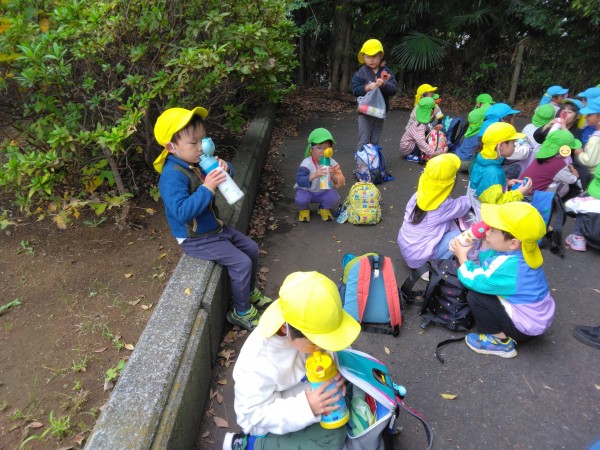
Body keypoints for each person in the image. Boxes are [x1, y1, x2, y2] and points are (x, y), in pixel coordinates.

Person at [153, 106, 271, 331]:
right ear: (171, 147)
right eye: (193, 143)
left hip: (214, 227)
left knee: (251, 249)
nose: (201, 147)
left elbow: (221, 177)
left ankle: (247, 291)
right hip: (195, 238)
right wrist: (207, 188)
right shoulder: (172, 176)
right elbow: (181, 212)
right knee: (241, 262)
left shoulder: (194, 161)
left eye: (203, 139)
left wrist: (226, 169)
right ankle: (241, 312)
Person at [224, 271, 361, 450]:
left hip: (300, 388)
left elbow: (335, 345)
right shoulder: (258, 361)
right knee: (332, 438)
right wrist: (308, 406)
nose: (323, 347)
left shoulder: (303, 322)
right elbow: (256, 413)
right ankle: (250, 444)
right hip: (266, 419)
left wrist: (336, 370)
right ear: (284, 327)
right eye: (317, 343)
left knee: (352, 387)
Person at [449, 202, 556, 358]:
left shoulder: (510, 268)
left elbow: (474, 279)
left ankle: (499, 342)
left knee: (476, 296)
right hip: (537, 319)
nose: (487, 232)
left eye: (492, 230)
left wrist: (462, 256)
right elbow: (490, 263)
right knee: (486, 290)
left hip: (524, 329)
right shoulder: (523, 251)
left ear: (513, 243)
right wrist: (486, 242)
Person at [397, 153, 471, 269]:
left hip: (407, 248)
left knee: (447, 223)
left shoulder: (417, 196)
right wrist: (473, 196)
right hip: (420, 258)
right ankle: (433, 267)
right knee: (459, 235)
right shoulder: (444, 205)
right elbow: (464, 206)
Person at [468, 122, 532, 219]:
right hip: (485, 217)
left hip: (476, 206)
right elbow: (496, 203)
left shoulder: (484, 158)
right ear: (501, 145)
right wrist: (520, 193)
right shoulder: (493, 173)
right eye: (513, 142)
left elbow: (484, 184)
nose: (515, 146)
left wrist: (506, 182)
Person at [352, 39, 397, 151]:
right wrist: (367, 87)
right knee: (364, 137)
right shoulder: (362, 72)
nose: (371, 60)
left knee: (375, 139)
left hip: (379, 111)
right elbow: (355, 89)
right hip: (364, 110)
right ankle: (362, 160)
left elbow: (394, 89)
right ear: (363, 57)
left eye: (374, 56)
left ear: (380, 55)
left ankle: (373, 158)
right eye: (368, 57)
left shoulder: (386, 72)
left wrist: (384, 84)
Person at [295, 128, 345, 222]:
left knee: (334, 196)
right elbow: (300, 180)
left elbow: (341, 180)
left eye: (326, 148)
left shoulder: (332, 163)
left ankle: (323, 208)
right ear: (311, 149)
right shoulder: (306, 163)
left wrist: (333, 176)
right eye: (319, 148)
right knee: (301, 198)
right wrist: (314, 175)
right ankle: (304, 209)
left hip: (323, 192)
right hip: (307, 191)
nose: (323, 151)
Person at [521, 129, 582, 198]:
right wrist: (574, 172)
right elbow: (572, 180)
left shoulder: (540, 154)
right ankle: (550, 202)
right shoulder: (559, 164)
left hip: (520, 188)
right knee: (565, 186)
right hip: (531, 197)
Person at [564, 162, 600, 252]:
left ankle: (578, 238)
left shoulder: (586, 198)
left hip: (591, 236)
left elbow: (568, 207)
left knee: (580, 209)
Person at [573, 97, 600, 189]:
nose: (585, 117)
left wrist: (579, 153)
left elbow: (589, 161)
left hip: (595, 177)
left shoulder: (595, 139)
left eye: (589, 115)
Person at [399, 97, 436, 163]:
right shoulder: (419, 128)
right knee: (421, 143)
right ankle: (412, 155)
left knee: (423, 138)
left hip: (407, 144)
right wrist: (433, 153)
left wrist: (434, 129)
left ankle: (417, 152)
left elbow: (427, 127)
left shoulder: (419, 121)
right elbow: (421, 142)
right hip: (407, 147)